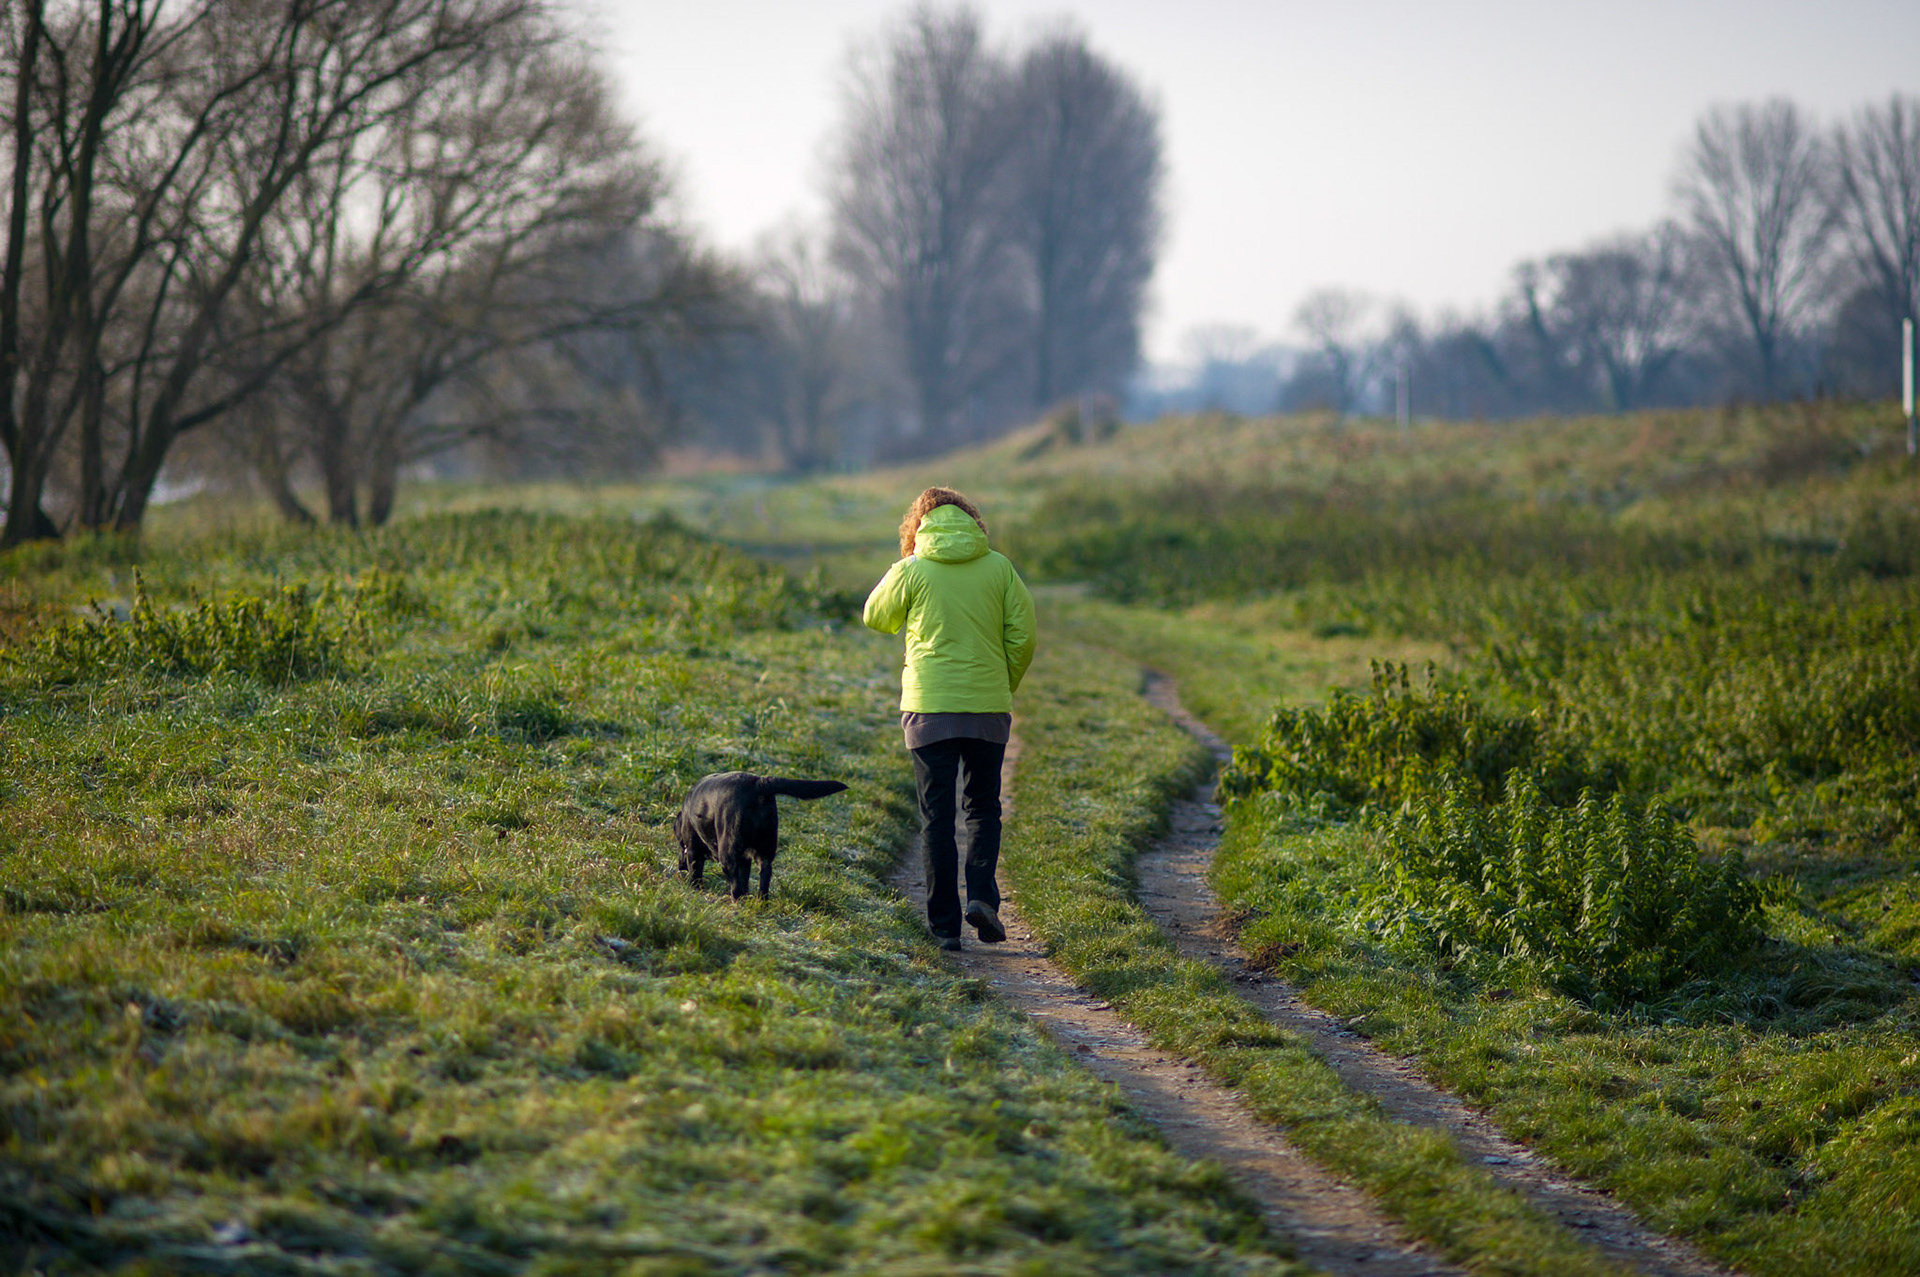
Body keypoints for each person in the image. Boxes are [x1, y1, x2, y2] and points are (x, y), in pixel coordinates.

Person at [863, 487, 1036, 950]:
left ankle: (944, 927)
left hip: (928, 711)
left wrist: (902, 569)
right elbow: (1023, 637)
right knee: (982, 808)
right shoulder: (999, 568)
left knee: (936, 818)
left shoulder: (912, 570)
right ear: (971, 522)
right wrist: (1002, 684)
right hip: (987, 707)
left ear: (918, 527)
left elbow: (874, 617)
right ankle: (981, 898)